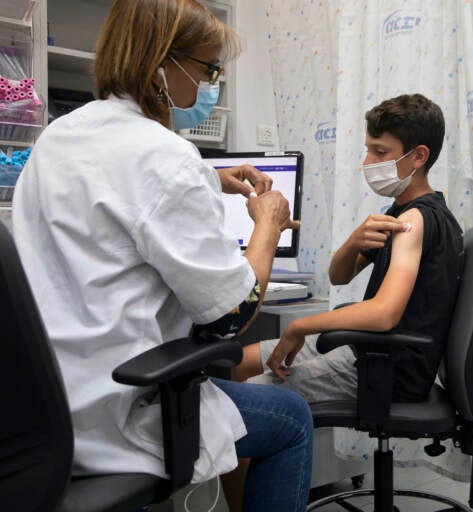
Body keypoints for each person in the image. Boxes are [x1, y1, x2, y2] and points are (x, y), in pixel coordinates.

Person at [11, 1, 312, 511]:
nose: (212, 83)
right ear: (161, 64)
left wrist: (208, 178)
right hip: (118, 413)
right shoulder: (165, 155)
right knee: (291, 419)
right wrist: (267, 224)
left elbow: (113, 198)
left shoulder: (60, 135)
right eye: (209, 68)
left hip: (42, 409)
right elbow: (231, 316)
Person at [231, 93, 463, 407]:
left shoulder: (416, 220)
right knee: (238, 363)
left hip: (388, 367)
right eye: (368, 150)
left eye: (380, 152)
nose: (367, 163)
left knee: (245, 400)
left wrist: (300, 326)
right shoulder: (397, 213)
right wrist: (354, 240)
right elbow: (338, 276)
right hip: (366, 348)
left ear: (418, 156)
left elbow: (383, 314)